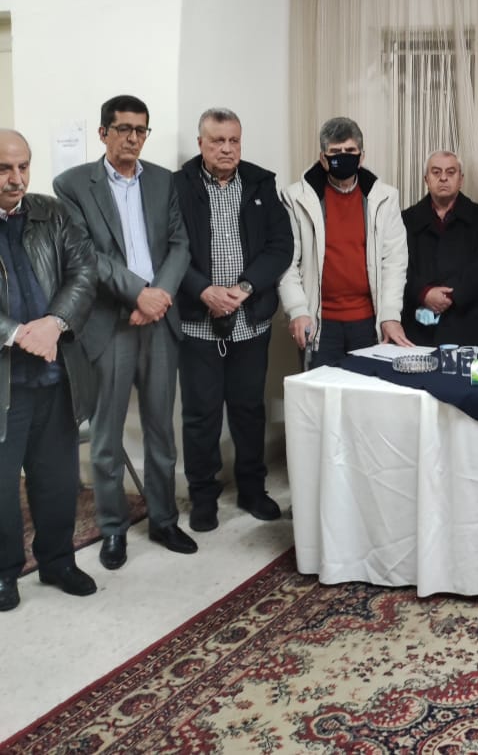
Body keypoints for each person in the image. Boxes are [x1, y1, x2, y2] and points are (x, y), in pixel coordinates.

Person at [54, 95, 197, 569]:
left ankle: (164, 520)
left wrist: (158, 297)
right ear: (103, 133)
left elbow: (179, 244)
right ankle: (113, 528)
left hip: (158, 322)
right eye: (123, 129)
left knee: (161, 430)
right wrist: (139, 295)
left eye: (141, 130)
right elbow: (87, 256)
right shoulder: (73, 185)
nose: (133, 138)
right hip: (109, 324)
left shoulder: (163, 180)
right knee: (106, 438)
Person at [175, 109, 294, 533]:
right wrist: (203, 290)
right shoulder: (178, 187)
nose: (227, 149)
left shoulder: (261, 183)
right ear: (201, 143)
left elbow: (281, 246)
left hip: (249, 321)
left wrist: (244, 288)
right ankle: (203, 496)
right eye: (217, 141)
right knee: (201, 414)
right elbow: (168, 249)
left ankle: (252, 490)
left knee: (248, 410)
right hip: (197, 323)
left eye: (234, 141)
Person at [0, 129, 98, 611]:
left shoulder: (51, 213)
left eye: (23, 167)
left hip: (55, 376)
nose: (16, 179)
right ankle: (4, 573)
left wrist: (54, 323)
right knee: (2, 486)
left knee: (57, 479)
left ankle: (58, 561)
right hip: (5, 385)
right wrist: (18, 333)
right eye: (4, 169)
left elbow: (84, 272)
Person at [278, 117, 412, 368]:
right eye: (335, 152)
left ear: (361, 157)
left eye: (350, 151)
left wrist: (390, 315)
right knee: (320, 392)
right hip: (319, 323)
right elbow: (287, 261)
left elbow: (394, 261)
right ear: (323, 159)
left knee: (367, 390)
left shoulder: (385, 198)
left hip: (368, 322)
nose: (343, 157)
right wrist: (297, 310)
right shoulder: (296, 198)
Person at [401, 151, 478, 347]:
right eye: (436, 172)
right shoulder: (406, 219)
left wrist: (450, 296)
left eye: (451, 172)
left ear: (461, 179)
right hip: (415, 325)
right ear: (426, 179)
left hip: (463, 322)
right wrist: (424, 293)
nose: (443, 178)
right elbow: (398, 266)